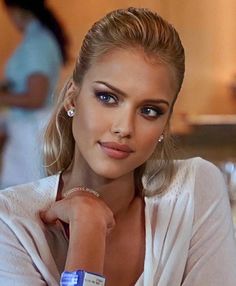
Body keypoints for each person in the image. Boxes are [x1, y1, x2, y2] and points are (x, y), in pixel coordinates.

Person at [0, 7, 236, 286]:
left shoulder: (194, 189)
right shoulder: (11, 223)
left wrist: (88, 227)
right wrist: (88, 228)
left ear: (165, 123)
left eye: (149, 110)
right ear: (72, 100)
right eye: (107, 97)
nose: (124, 128)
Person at [0, 0, 69, 187]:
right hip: (25, 131)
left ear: (17, 11)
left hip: (31, 133)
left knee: (22, 197)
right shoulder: (36, 40)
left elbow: (35, 98)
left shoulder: (37, 43)